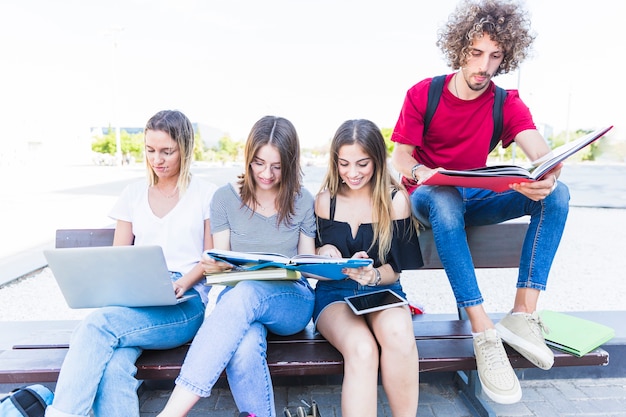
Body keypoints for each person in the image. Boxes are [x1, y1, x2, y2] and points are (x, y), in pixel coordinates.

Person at [390, 0, 570, 405]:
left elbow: (541, 153)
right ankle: (483, 331)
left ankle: (522, 314)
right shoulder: (425, 93)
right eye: (476, 53)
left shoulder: (506, 102)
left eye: (495, 56)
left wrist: (548, 176)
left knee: (557, 195)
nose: (484, 66)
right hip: (430, 199)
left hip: (475, 199)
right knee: (446, 197)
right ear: (459, 49)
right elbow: (399, 156)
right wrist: (421, 173)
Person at [45, 110, 217, 417]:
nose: (157, 159)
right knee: (113, 367)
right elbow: (118, 260)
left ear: (185, 149)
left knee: (97, 324)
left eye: (167, 151)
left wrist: (183, 282)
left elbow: (211, 258)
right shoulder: (133, 194)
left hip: (185, 304)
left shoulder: (205, 193)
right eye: (150, 150)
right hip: (137, 301)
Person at [157, 116, 316, 417]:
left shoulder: (302, 200)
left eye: (277, 166)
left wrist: (324, 263)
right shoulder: (224, 199)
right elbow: (222, 264)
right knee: (243, 349)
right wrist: (214, 266)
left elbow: (306, 264)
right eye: (258, 163)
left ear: (291, 163)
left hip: (291, 302)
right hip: (240, 304)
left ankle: (171, 413)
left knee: (247, 293)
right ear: (248, 157)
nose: (266, 174)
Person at [314, 119, 423, 417]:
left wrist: (373, 274)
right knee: (362, 349)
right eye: (344, 164)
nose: (352, 173)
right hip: (334, 295)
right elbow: (309, 261)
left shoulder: (395, 200)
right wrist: (324, 252)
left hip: (383, 290)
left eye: (362, 164)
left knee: (399, 335)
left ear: (377, 159)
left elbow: (396, 270)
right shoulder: (325, 202)